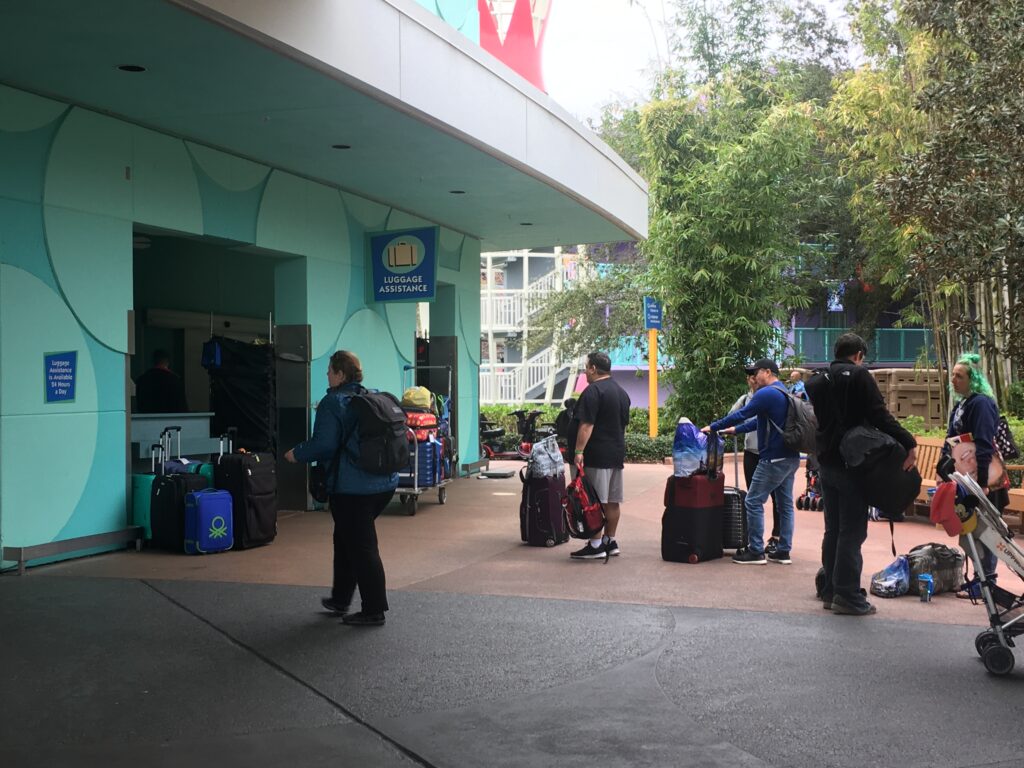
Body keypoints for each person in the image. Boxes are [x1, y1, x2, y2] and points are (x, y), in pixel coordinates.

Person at [805, 333, 917, 616]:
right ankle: (848, 595)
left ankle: (830, 589)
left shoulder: (817, 380)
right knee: (852, 531)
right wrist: (908, 441)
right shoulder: (859, 376)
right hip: (853, 464)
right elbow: (879, 415)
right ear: (858, 355)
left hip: (826, 463)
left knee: (833, 529)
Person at [285, 350, 398, 627]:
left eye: (329, 370)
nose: (326, 374)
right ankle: (340, 599)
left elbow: (325, 444)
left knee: (361, 546)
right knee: (345, 539)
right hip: (383, 483)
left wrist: (296, 453)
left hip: (353, 489)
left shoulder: (332, 403)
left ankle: (374, 609)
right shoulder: (369, 397)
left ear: (340, 374)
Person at [704, 359, 800, 565]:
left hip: (773, 458)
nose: (753, 377)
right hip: (790, 457)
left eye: (756, 372)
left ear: (767, 371)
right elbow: (760, 421)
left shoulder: (766, 393)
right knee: (785, 505)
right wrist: (736, 430)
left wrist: (713, 426)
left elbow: (742, 414)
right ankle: (783, 551)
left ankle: (756, 551)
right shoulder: (783, 391)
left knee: (753, 501)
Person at [942, 353, 1009, 598]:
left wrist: (981, 486)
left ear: (974, 379)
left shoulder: (981, 403)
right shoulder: (962, 404)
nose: (954, 380)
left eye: (959, 376)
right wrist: (944, 469)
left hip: (984, 478)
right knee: (970, 528)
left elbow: (983, 444)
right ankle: (980, 581)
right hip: (966, 477)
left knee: (987, 531)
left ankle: (987, 583)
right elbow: (950, 440)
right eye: (953, 375)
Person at [570, 352, 630, 560]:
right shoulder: (621, 392)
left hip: (595, 455)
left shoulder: (593, 392)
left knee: (592, 500)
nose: (585, 371)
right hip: (615, 454)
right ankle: (610, 541)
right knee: (612, 501)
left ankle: (595, 544)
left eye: (586, 367)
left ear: (594, 368)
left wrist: (578, 452)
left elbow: (586, 425)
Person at [729, 373, 781, 555]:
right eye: (750, 376)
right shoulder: (745, 399)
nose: (753, 379)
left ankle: (776, 537)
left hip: (772, 454)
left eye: (755, 375)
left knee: (778, 499)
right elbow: (733, 416)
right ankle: (753, 540)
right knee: (753, 498)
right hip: (752, 452)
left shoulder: (773, 396)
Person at [134, 349, 188, 413]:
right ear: (168, 362)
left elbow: (139, 405)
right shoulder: (174, 380)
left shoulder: (142, 380)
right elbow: (181, 407)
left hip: (146, 420)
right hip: (170, 420)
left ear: (153, 361)